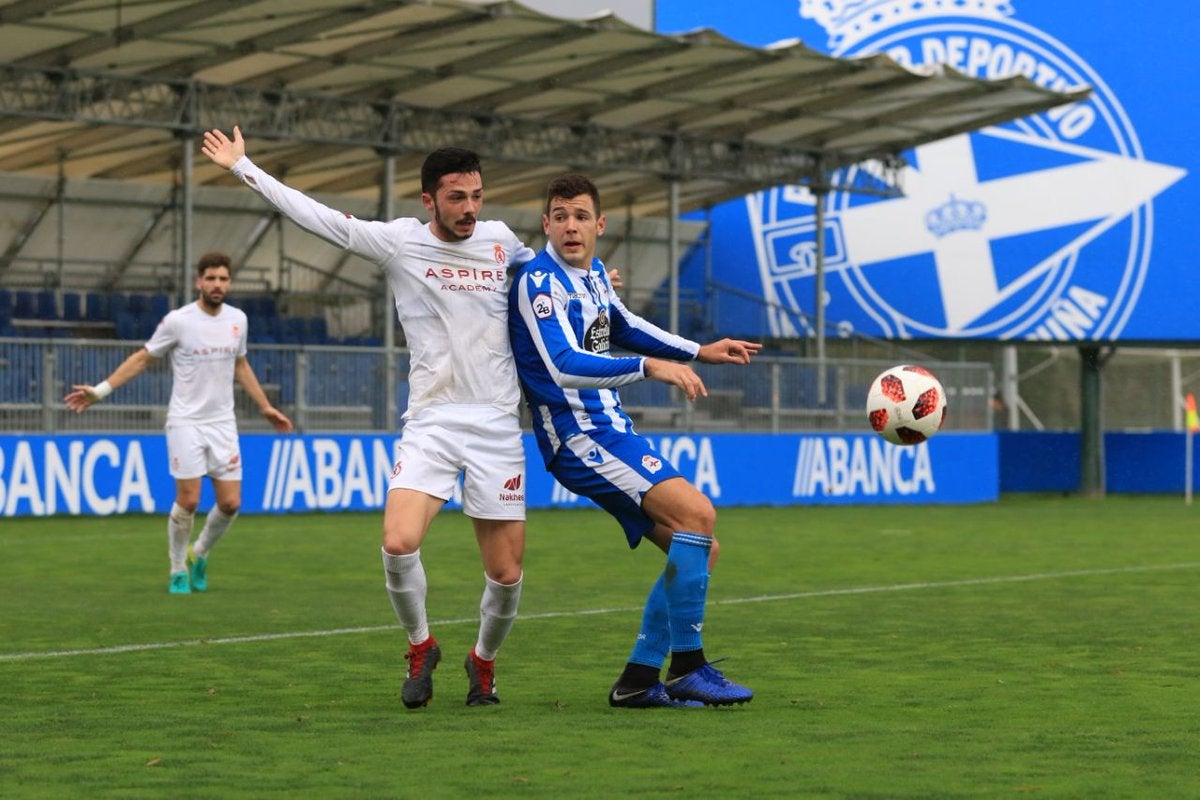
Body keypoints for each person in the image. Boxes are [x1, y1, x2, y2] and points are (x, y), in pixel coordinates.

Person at [200, 127, 534, 709]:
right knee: (398, 542)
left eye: (478, 196)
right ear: (428, 199)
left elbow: (548, 277)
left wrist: (593, 283)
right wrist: (244, 167)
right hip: (431, 420)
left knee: (505, 575)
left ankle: (482, 663)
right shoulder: (399, 242)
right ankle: (420, 645)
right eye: (457, 197)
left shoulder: (503, 241)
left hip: (498, 424)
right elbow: (318, 218)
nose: (471, 209)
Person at [509, 173, 761, 708]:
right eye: (560, 216)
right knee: (699, 515)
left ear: (600, 224)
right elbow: (562, 365)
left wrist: (698, 350)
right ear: (545, 225)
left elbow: (623, 323)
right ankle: (688, 667)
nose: (570, 226)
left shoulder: (596, 275)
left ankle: (639, 681)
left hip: (610, 430)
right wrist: (652, 367)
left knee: (700, 550)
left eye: (581, 216)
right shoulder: (538, 283)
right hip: (576, 436)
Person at [64, 252, 294, 594]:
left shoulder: (238, 320)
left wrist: (264, 407)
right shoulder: (179, 320)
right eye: (211, 278)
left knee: (231, 503)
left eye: (223, 279)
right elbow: (143, 358)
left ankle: (199, 552)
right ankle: (176, 570)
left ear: (229, 283)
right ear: (199, 282)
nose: (217, 285)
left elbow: (240, 364)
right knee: (188, 500)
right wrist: (100, 391)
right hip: (185, 421)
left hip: (222, 423)